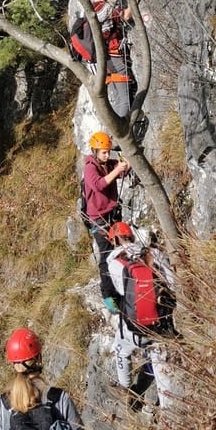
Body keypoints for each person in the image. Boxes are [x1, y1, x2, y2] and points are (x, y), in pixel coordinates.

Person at [106, 224, 180, 412]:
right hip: (160, 326)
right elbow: (172, 283)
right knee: (158, 359)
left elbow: (122, 292)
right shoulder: (153, 254)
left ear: (114, 240)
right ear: (130, 236)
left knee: (121, 348)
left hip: (133, 329)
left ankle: (127, 390)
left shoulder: (114, 262)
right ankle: (167, 411)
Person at [82, 131, 130, 311]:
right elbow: (99, 185)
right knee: (107, 253)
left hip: (112, 214)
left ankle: (122, 286)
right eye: (103, 152)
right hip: (99, 218)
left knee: (120, 249)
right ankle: (108, 294)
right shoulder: (90, 168)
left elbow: (121, 171)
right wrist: (117, 170)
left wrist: (125, 165)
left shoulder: (107, 164)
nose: (107, 155)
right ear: (94, 151)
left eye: (108, 151)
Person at [87, 0, 138, 116]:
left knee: (118, 97)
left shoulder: (93, 8)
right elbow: (126, 16)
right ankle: (123, 132)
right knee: (124, 98)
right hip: (113, 57)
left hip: (106, 60)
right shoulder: (102, 8)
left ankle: (118, 130)